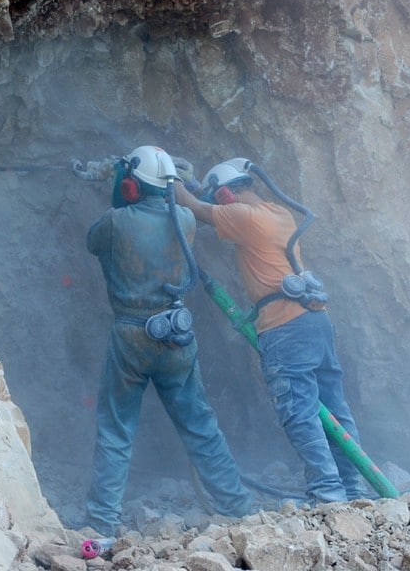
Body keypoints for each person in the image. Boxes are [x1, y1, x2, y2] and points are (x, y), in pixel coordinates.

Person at [174, 158, 366, 504]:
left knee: (299, 410)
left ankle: (327, 492)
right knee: (334, 408)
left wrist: (165, 175)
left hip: (284, 326)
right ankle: (352, 489)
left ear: (225, 195)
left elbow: (190, 207)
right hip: (315, 320)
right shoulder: (278, 212)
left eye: (219, 201)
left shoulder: (245, 217)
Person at [84, 145, 252, 537]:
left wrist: (115, 190)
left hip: (131, 335)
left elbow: (94, 241)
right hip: (176, 334)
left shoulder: (114, 221)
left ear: (130, 186)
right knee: (200, 425)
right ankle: (239, 507)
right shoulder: (186, 221)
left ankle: (102, 522)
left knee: (116, 428)